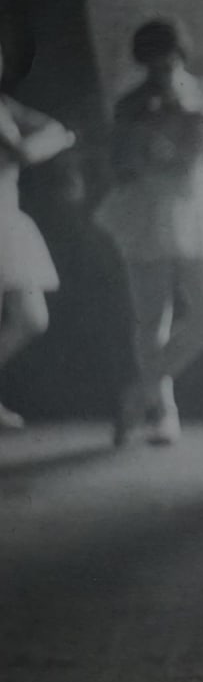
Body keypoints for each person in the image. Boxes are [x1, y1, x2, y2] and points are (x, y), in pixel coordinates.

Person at [97, 19, 203, 445]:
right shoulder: (132, 102)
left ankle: (138, 393)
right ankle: (162, 410)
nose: (160, 72)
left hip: (197, 204)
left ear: (181, 56)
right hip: (147, 206)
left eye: (167, 61)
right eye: (151, 65)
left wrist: (198, 110)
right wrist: (141, 128)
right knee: (152, 318)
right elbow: (118, 166)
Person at [0, 77, 76, 428]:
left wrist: (33, 146)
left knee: (32, 318)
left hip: (6, 217)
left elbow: (52, 132)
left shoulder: (5, 105)